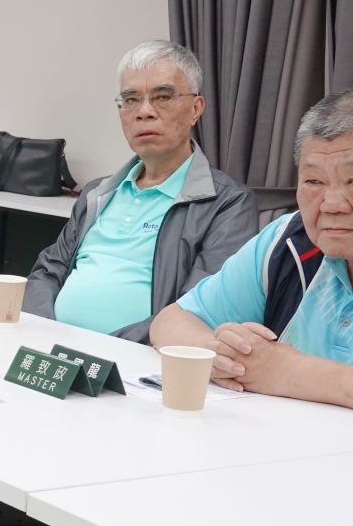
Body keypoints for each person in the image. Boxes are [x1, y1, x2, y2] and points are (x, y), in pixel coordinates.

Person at [23, 40, 257, 342]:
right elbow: (48, 270)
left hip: (137, 359)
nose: (144, 112)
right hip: (54, 350)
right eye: (131, 99)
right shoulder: (99, 192)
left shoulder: (227, 203)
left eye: (163, 97)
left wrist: (104, 348)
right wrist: (43, 331)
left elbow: (199, 309)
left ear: (195, 109)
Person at [150, 88, 353, 408]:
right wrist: (218, 354)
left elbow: (284, 372)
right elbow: (171, 321)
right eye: (314, 182)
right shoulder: (288, 242)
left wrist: (289, 371)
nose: (332, 204)